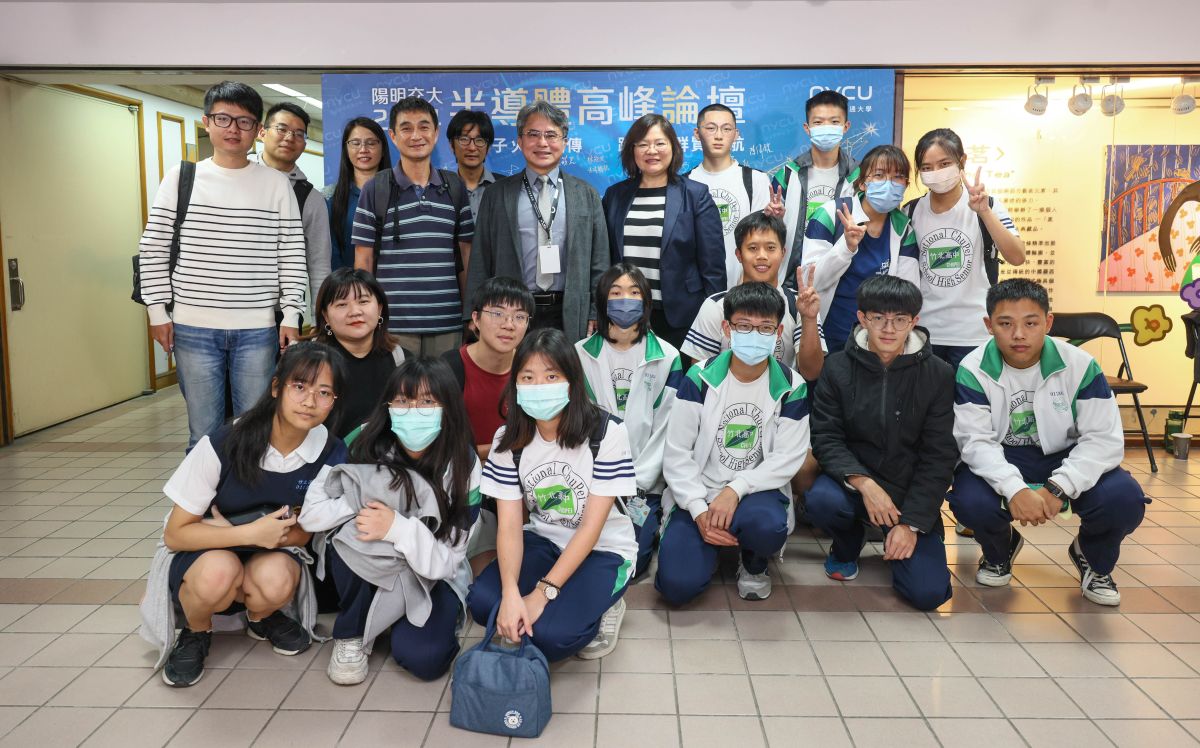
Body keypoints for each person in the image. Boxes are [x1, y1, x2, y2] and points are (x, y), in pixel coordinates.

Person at [140, 343, 348, 687]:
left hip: (270, 551)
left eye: (324, 392)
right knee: (218, 572)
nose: (310, 401)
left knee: (279, 577)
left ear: (334, 401)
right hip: (203, 554)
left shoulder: (331, 450)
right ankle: (196, 630)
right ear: (276, 387)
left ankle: (260, 617)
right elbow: (176, 534)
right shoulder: (226, 440)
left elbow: (304, 533)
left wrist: (268, 534)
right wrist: (249, 534)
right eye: (299, 386)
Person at [949, 279, 1147, 606]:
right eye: (1005, 323)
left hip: (1066, 455)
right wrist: (1015, 489)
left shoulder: (1081, 366)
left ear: (1048, 323)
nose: (1019, 334)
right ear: (988, 325)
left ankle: (1093, 559)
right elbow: (976, 444)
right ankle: (1000, 551)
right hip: (1005, 455)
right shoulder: (972, 369)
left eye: (1031, 323)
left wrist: (1059, 487)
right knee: (969, 501)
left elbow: (1103, 440)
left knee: (1124, 500)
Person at [137, 80, 306, 450]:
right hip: (193, 327)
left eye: (245, 122)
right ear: (206, 122)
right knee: (203, 434)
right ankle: (203, 509)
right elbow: (153, 248)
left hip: (257, 329)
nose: (234, 129)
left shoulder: (277, 185)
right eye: (224, 119)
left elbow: (291, 254)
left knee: (255, 430)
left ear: (257, 131)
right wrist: (156, 312)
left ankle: (251, 507)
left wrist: (292, 314)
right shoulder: (182, 179)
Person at [300, 358, 480, 684]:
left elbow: (447, 559)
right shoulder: (362, 440)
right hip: (373, 562)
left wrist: (398, 526)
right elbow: (311, 514)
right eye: (402, 401)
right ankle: (352, 633)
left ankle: (421, 613)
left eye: (427, 401)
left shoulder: (463, 461)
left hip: (432, 573)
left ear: (448, 406)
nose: (413, 411)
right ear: (388, 405)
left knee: (425, 659)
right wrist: (364, 501)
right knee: (346, 536)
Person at [467, 328, 638, 662]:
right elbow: (509, 527)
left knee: (554, 638)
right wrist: (512, 593)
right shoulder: (508, 439)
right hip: (544, 539)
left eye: (550, 376)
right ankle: (561, 596)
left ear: (572, 382)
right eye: (527, 377)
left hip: (603, 548)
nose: (538, 387)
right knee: (484, 603)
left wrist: (542, 593)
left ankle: (609, 602)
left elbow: (590, 528)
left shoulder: (606, 433)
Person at [804, 275, 957, 611]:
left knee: (928, 594)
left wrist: (911, 523)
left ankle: (899, 535)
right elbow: (826, 437)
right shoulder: (837, 368)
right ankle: (849, 540)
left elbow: (939, 456)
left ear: (914, 321)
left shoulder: (939, 375)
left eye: (900, 319)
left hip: (909, 495)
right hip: (855, 486)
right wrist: (864, 483)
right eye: (878, 318)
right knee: (821, 501)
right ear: (862, 318)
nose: (889, 329)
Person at [656, 282, 810, 604]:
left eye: (765, 328)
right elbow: (677, 452)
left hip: (755, 494)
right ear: (727, 328)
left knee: (765, 527)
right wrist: (699, 508)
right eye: (744, 326)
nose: (755, 335)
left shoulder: (791, 385)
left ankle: (753, 561)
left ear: (778, 331)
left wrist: (735, 489)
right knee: (676, 587)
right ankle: (707, 543)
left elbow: (788, 457)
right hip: (698, 490)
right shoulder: (699, 377)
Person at [465, 101, 610, 342]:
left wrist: (596, 310)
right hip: (512, 310)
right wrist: (475, 312)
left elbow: (600, 261)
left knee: (565, 376)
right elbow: (481, 256)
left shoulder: (586, 194)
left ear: (564, 142)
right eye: (533, 134)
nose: (542, 143)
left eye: (551, 135)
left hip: (570, 309)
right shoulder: (497, 194)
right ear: (520, 141)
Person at [575, 263, 682, 581]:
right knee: (585, 546)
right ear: (603, 301)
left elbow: (668, 429)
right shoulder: (580, 354)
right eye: (616, 293)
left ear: (647, 302)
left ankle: (656, 521)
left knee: (632, 560)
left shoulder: (667, 356)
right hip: (594, 478)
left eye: (634, 293)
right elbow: (579, 423)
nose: (625, 300)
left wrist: (638, 482)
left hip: (643, 482)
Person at [351, 96, 473, 357]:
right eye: (406, 128)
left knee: (443, 396)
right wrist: (368, 318)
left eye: (424, 126)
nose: (416, 135)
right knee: (397, 397)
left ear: (436, 133)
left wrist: (468, 313)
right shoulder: (375, 188)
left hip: (447, 323)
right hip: (394, 326)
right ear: (393, 136)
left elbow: (465, 255)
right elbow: (364, 259)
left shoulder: (454, 187)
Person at [603, 113, 726, 350]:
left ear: (673, 148)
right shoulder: (615, 195)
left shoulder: (695, 194)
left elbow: (713, 267)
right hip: (626, 315)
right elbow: (606, 257)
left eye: (660, 143)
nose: (652, 151)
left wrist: (714, 315)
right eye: (643, 144)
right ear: (632, 150)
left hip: (682, 318)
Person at [908, 128, 1026, 369]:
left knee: (973, 405)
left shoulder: (988, 205)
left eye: (944, 163)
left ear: (962, 161)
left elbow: (1017, 256)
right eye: (927, 167)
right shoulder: (910, 212)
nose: (936, 173)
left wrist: (984, 211)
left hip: (974, 333)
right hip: (925, 333)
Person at [443, 276, 535, 577]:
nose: (509, 324)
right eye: (497, 313)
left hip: (521, 483)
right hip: (462, 483)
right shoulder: (449, 370)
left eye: (519, 317)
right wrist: (503, 449)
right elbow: (439, 447)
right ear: (475, 319)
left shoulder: (534, 371)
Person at [801, 144, 920, 353]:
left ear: (905, 185)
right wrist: (846, 247)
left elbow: (907, 296)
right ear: (863, 182)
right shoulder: (830, 215)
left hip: (876, 341)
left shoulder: (904, 230)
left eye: (897, 177)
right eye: (879, 175)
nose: (888, 184)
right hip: (829, 332)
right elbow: (810, 281)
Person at [682, 212, 825, 381]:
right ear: (739, 255)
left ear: (783, 253)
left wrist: (809, 318)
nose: (762, 256)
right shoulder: (715, 306)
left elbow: (811, 373)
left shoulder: (800, 303)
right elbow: (699, 377)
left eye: (771, 248)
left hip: (783, 402)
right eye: (753, 248)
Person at [686, 103, 783, 286]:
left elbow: (763, 239)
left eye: (726, 129)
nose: (719, 135)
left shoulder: (756, 180)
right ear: (697, 134)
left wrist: (774, 219)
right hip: (697, 292)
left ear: (736, 134)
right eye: (711, 128)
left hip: (746, 290)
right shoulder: (685, 183)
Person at [773, 89, 860, 290]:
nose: (826, 128)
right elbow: (767, 231)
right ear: (807, 127)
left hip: (842, 279)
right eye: (818, 122)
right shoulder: (788, 175)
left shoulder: (859, 177)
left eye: (834, 122)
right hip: (791, 280)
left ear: (846, 126)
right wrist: (773, 218)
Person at [310, 268, 410, 439]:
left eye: (363, 301)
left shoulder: (401, 360)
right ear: (325, 316)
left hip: (388, 461)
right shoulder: (309, 362)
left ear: (379, 308)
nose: (355, 312)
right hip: (327, 462)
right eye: (341, 304)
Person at [257, 102, 330, 309]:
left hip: (283, 313)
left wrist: (321, 318)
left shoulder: (310, 198)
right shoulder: (236, 178)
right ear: (262, 132)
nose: (290, 138)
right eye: (282, 129)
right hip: (220, 305)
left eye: (299, 134)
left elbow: (319, 264)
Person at [324, 117, 392, 271]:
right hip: (350, 290)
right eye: (355, 143)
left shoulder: (401, 194)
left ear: (383, 150)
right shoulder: (330, 199)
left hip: (396, 288)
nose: (363, 149)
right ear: (346, 150)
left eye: (371, 143)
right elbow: (331, 254)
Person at [447, 109, 498, 221]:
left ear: (488, 147)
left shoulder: (504, 188)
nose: (472, 147)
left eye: (479, 140)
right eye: (464, 139)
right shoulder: (442, 191)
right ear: (451, 145)